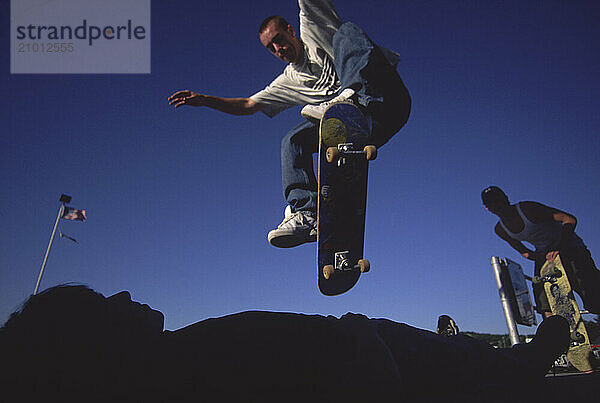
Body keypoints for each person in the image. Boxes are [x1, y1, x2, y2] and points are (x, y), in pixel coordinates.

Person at [1, 285, 570, 401]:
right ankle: (520, 366)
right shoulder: (189, 371)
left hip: (379, 346)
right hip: (394, 362)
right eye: (106, 304)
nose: (123, 295)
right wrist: (362, 336)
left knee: (476, 360)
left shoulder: (181, 357)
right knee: (484, 369)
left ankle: (514, 363)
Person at [168, 0, 411, 248]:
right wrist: (206, 100)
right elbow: (248, 105)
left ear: (291, 30)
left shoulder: (312, 25)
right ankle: (307, 212)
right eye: (271, 48)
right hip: (369, 128)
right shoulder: (288, 81)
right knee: (293, 141)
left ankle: (354, 96)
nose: (278, 49)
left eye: (279, 39)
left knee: (346, 32)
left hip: (387, 99)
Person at [481, 185, 600, 318]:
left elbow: (569, 219)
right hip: (545, 254)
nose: (497, 205)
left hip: (570, 247)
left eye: (499, 200)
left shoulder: (528, 209)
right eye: (491, 203)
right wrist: (541, 257)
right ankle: (553, 329)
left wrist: (559, 247)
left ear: (506, 198)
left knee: (593, 299)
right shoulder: (500, 230)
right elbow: (524, 252)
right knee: (543, 297)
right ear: (487, 208)